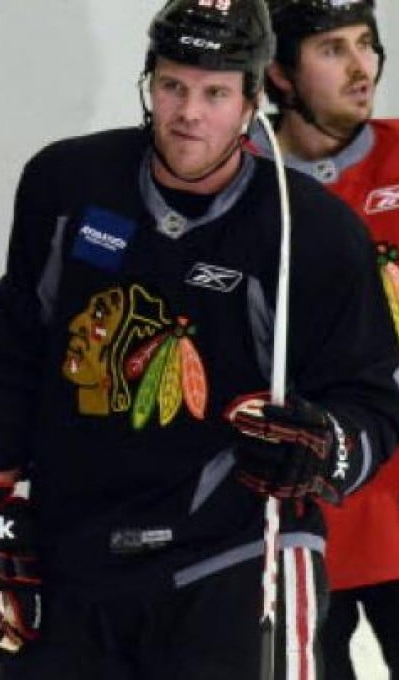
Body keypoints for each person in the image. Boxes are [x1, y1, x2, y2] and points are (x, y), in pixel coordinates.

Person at [0, 0, 399, 678]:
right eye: (173, 86)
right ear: (147, 83)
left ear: (251, 99)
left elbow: (371, 403)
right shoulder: (66, 183)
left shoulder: (316, 232)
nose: (188, 114)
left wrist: (324, 446)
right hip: (74, 549)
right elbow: (14, 348)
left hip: (237, 555)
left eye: (214, 93)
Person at [249, 1, 399, 677]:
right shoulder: (236, 178)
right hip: (290, 518)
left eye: (367, 44)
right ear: (279, 72)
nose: (362, 67)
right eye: (333, 49)